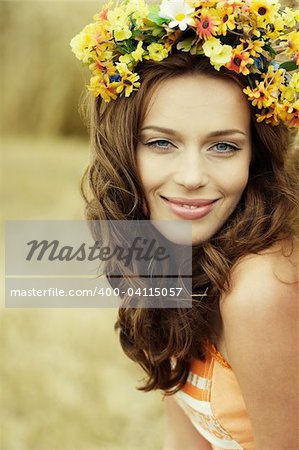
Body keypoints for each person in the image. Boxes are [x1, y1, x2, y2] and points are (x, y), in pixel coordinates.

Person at [71, 0, 299, 448]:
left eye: (224, 147)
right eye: (161, 143)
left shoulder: (263, 289)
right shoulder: (176, 256)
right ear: (122, 151)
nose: (192, 177)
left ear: (256, 157)